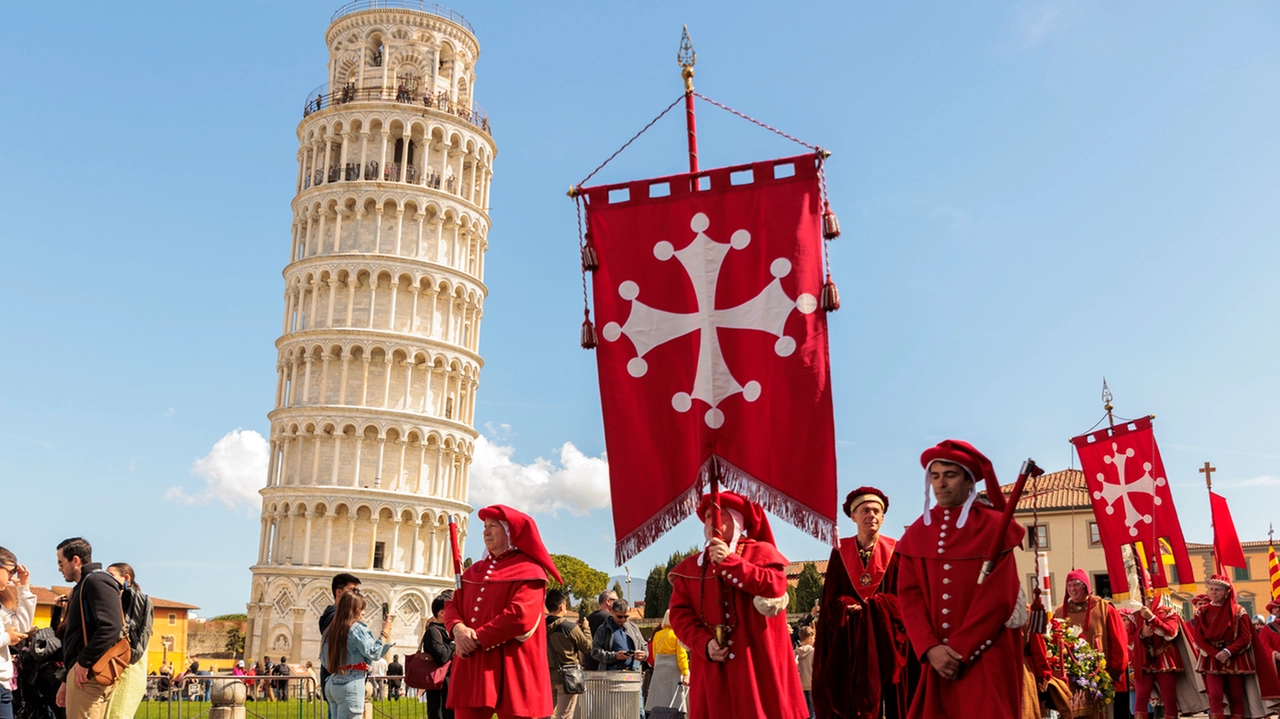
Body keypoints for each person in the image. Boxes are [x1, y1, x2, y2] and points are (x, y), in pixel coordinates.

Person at [896, 441, 1025, 719]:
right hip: (936, 660)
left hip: (985, 655)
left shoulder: (994, 527)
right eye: (935, 476)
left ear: (969, 481)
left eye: (950, 475)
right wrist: (930, 648)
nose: (940, 483)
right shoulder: (917, 533)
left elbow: (998, 599)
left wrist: (957, 652)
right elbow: (908, 596)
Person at [668, 491, 807, 719]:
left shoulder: (761, 552)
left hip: (755, 666)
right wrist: (704, 644)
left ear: (736, 519)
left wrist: (731, 562)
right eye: (708, 516)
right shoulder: (691, 568)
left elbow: (775, 586)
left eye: (719, 514)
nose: (712, 521)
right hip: (712, 669)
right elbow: (679, 616)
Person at [443, 505, 560, 719]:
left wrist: (475, 638)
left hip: (513, 664)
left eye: (493, 526)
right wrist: (458, 629)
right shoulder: (473, 571)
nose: (485, 531)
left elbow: (520, 616)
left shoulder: (531, 571)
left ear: (509, 531)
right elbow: (452, 606)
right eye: (485, 526)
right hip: (474, 665)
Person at [814, 486, 915, 719]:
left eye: (877, 511)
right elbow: (830, 597)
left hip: (887, 640)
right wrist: (845, 604)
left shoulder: (896, 550)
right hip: (852, 640)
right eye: (865, 510)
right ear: (853, 516)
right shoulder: (840, 551)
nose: (872, 515)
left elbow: (906, 597)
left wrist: (878, 604)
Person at [1190, 574, 1280, 718]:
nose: (1213, 592)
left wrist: (1228, 651)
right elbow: (1199, 639)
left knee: (1236, 696)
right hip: (1212, 658)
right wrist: (1216, 653)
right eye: (1211, 589)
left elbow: (1245, 637)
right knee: (1215, 695)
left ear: (1226, 592)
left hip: (1235, 657)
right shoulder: (1200, 611)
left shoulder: (1239, 611)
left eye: (1218, 590)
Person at [54, 537, 124, 719]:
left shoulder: (96, 581)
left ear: (75, 560)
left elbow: (110, 626)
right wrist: (66, 679)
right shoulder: (85, 584)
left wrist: (84, 662)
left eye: (61, 563)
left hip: (88, 675)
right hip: (85, 674)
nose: (59, 569)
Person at [1053, 569, 1128, 718]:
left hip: (1100, 678)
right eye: (1069, 585)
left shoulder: (1105, 608)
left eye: (1076, 585)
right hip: (1071, 681)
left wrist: (1112, 673)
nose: (1072, 589)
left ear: (1086, 586)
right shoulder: (1060, 612)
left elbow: (1119, 642)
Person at [321, 592, 392, 719]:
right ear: (355, 609)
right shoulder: (356, 628)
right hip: (351, 682)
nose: (364, 613)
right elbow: (374, 653)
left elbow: (324, 660)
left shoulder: (330, 629)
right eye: (362, 609)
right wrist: (385, 632)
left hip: (332, 683)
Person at [102, 563, 153, 719]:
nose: (106, 580)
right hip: (117, 669)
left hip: (128, 670)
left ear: (126, 578)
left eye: (111, 575)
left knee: (118, 715)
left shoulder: (135, 601)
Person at [544, 589, 591, 719]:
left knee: (545, 714)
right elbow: (587, 647)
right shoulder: (570, 628)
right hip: (568, 676)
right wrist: (586, 629)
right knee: (565, 715)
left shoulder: (539, 627)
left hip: (546, 675)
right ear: (562, 606)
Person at [0, 548, 35, 719]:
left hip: (3, 684)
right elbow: (12, 634)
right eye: (10, 571)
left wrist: (24, 588)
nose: (13, 577)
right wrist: (7, 637)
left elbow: (21, 627)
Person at [319, 573, 361, 709]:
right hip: (339, 679)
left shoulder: (332, 615)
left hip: (337, 679)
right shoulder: (334, 617)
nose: (356, 595)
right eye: (352, 590)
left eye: (357, 591)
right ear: (339, 592)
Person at [645, 610, 689, 717]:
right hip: (674, 669)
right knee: (676, 701)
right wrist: (686, 673)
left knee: (660, 700)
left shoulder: (658, 635)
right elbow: (681, 656)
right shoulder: (677, 635)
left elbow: (654, 654)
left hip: (659, 669)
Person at [421, 592, 454, 719]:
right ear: (441, 613)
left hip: (450, 684)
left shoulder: (448, 631)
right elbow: (442, 656)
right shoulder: (433, 632)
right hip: (440, 684)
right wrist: (453, 644)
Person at [590, 599, 646, 673]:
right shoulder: (603, 629)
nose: (623, 620)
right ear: (612, 612)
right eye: (619, 617)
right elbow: (595, 652)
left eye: (626, 617)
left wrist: (643, 654)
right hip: (611, 674)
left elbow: (644, 646)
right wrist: (615, 656)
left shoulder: (633, 628)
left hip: (633, 673)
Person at [583, 590, 616, 671]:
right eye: (616, 601)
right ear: (608, 601)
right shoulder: (609, 618)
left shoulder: (589, 618)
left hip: (589, 664)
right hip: (604, 665)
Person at [796, 625, 816, 719]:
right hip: (812, 684)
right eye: (813, 637)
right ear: (809, 638)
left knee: (804, 711)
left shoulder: (795, 652)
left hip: (800, 685)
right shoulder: (813, 652)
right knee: (813, 711)